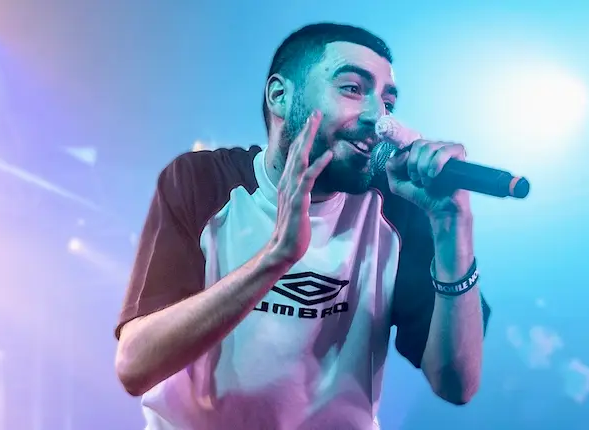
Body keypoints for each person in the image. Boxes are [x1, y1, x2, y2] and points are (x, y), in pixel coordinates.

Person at [114, 22, 492, 430]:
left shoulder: (398, 204)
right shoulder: (202, 181)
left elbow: (458, 386)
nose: (377, 117)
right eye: (352, 88)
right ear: (280, 95)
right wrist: (275, 258)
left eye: (388, 102)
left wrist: (455, 227)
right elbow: (136, 366)